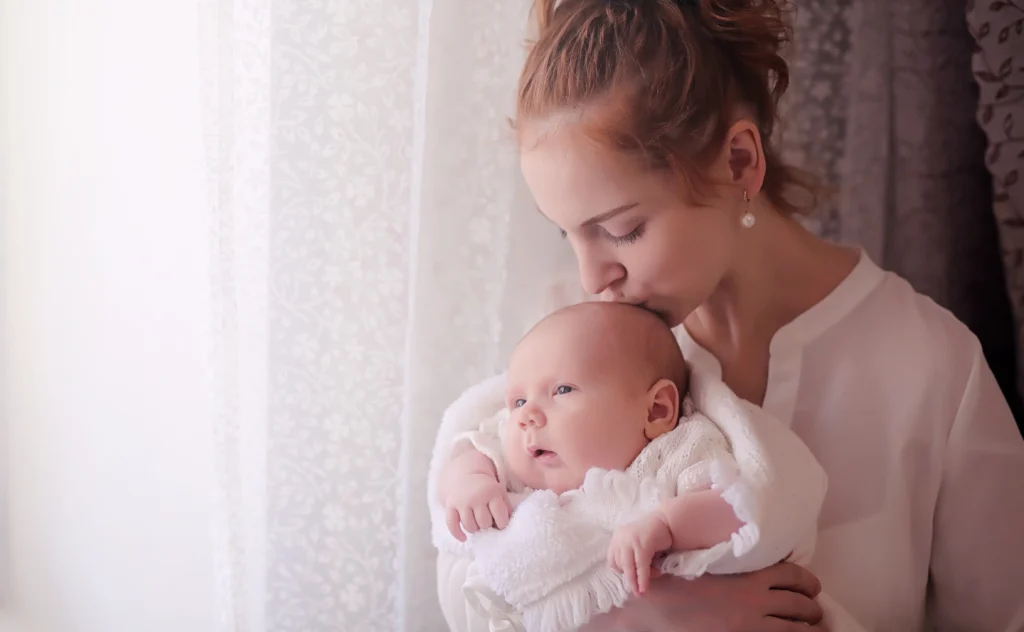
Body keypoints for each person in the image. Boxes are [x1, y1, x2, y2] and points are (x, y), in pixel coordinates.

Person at [433, 0, 1024, 629]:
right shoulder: (563, 341)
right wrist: (656, 613)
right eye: (567, 236)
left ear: (738, 162)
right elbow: (466, 582)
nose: (591, 279)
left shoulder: (931, 367)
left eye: (623, 230)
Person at [433, 302, 841, 632]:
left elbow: (737, 507)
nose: (527, 417)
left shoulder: (677, 450)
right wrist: (471, 482)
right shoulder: (515, 466)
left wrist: (666, 525)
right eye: (518, 401)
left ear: (657, 410)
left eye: (562, 390)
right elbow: (473, 445)